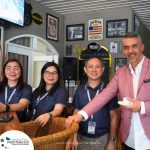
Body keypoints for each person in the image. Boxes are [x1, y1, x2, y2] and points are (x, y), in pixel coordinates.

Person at [66, 32, 150, 150]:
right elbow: (104, 95)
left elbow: (115, 115)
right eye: (126, 47)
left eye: (134, 46)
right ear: (123, 51)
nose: (130, 50)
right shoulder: (120, 73)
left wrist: (142, 106)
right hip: (129, 139)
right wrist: (81, 115)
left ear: (142, 47)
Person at [72, 56, 120, 150]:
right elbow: (75, 114)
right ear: (85, 69)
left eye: (98, 67)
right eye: (90, 66)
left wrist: (112, 141)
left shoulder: (109, 90)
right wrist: (74, 138)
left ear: (102, 69)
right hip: (82, 139)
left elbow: (114, 117)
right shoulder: (79, 90)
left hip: (102, 140)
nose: (94, 70)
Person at [27, 62, 68, 127]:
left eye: (54, 73)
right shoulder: (37, 91)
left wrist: (48, 115)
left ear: (58, 75)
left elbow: (58, 110)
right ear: (42, 75)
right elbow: (30, 108)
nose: (51, 76)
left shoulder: (61, 90)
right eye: (47, 73)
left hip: (50, 127)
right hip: (33, 125)